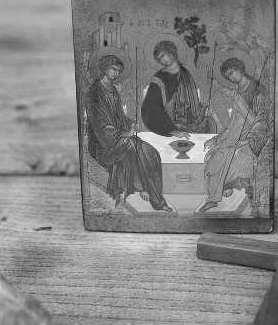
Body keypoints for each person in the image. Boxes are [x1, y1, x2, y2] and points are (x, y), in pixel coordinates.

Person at [88, 54, 172, 211]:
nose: (115, 73)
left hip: (116, 138)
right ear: (105, 68)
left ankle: (154, 195)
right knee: (130, 145)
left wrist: (130, 123)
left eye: (118, 71)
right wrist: (124, 134)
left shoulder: (113, 90)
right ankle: (143, 189)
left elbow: (118, 117)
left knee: (150, 151)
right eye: (113, 69)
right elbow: (98, 125)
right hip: (103, 145)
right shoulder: (95, 92)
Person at [197, 57, 269, 213]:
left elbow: (263, 118)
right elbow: (233, 123)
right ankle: (213, 198)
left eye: (232, 72)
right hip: (236, 134)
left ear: (240, 69)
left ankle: (234, 186)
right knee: (212, 155)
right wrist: (217, 138)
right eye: (228, 76)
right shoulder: (237, 94)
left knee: (236, 154)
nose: (231, 77)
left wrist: (247, 139)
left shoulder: (258, 90)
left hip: (255, 136)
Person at [140, 40, 214, 137]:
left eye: (162, 55)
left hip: (189, 119)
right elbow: (150, 107)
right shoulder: (158, 78)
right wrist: (172, 130)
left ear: (171, 52)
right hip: (169, 123)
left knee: (209, 124)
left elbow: (192, 101)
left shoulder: (185, 74)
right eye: (159, 59)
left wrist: (203, 111)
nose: (162, 60)